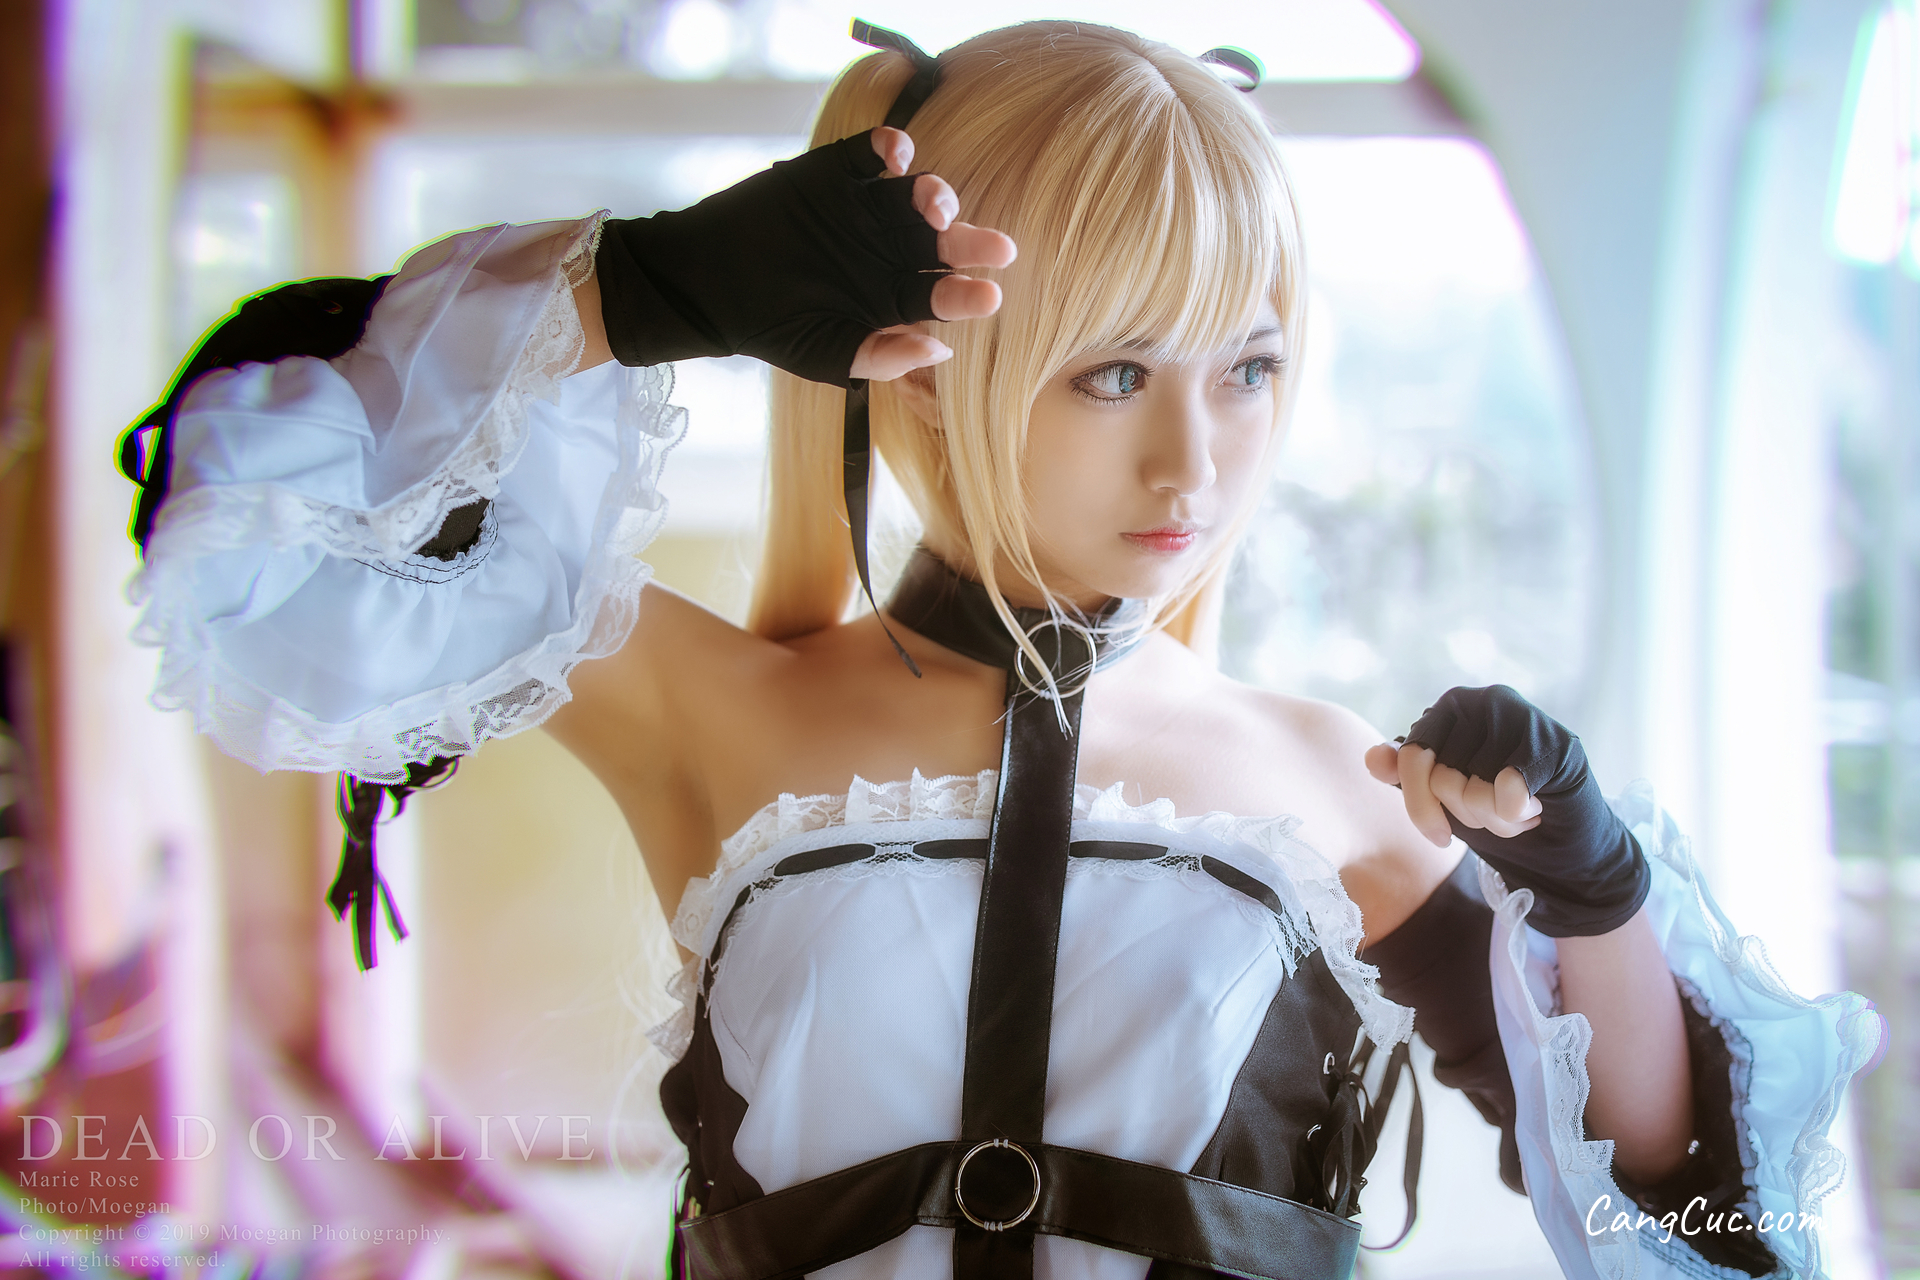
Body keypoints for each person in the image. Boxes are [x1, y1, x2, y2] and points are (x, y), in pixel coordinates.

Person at [122, 18, 1880, 1280]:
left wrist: (1593, 891)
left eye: (1248, 369)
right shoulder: (720, 708)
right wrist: (645, 292)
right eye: (1112, 372)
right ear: (922, 363)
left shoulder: (1331, 781)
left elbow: (1692, 1217)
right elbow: (249, 545)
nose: (1196, 464)